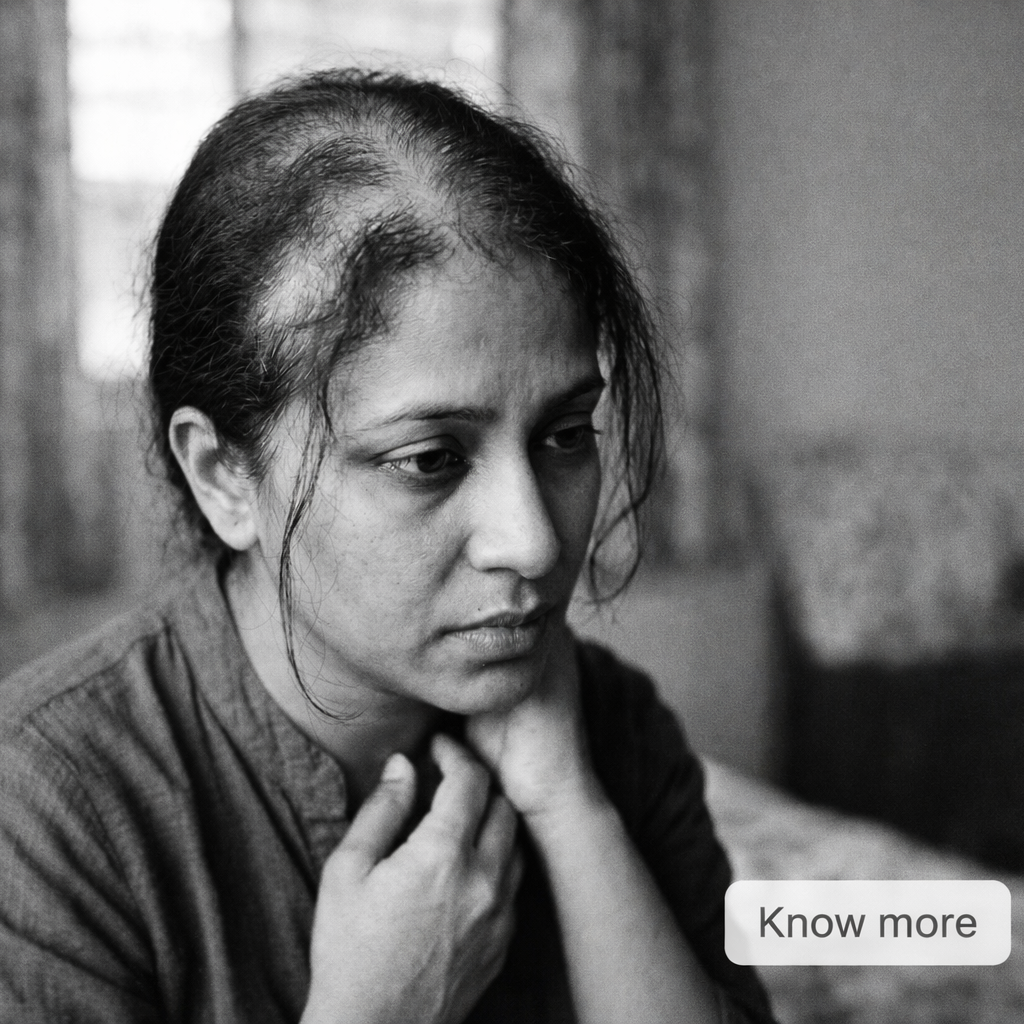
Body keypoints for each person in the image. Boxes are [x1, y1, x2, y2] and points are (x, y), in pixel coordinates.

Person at [0, 70, 775, 1024]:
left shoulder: (613, 726)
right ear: (225, 476)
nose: (533, 543)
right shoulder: (43, 809)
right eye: (429, 459)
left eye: (567, 435)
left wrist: (572, 808)